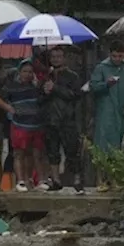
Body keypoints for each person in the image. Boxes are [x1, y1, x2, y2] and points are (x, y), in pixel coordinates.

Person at [0, 61, 47, 192]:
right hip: (19, 125)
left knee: (35, 153)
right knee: (19, 153)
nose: (27, 74)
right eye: (25, 71)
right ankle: (20, 181)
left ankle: (38, 180)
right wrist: (8, 108)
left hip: (36, 125)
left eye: (30, 72)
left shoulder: (36, 87)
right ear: (19, 73)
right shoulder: (11, 87)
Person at [40, 46, 84, 193]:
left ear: (64, 58)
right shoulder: (46, 76)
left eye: (58, 56)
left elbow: (75, 95)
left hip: (67, 119)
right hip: (49, 119)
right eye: (53, 57)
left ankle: (77, 180)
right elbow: (39, 99)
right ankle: (56, 180)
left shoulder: (72, 76)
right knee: (52, 152)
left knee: (72, 151)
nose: (56, 59)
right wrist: (44, 91)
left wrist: (56, 88)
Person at [90, 40, 124, 153]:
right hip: (106, 114)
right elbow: (93, 86)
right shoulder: (101, 68)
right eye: (114, 56)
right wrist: (106, 84)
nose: (117, 59)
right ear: (109, 54)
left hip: (123, 113)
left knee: (122, 146)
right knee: (104, 145)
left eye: (120, 56)